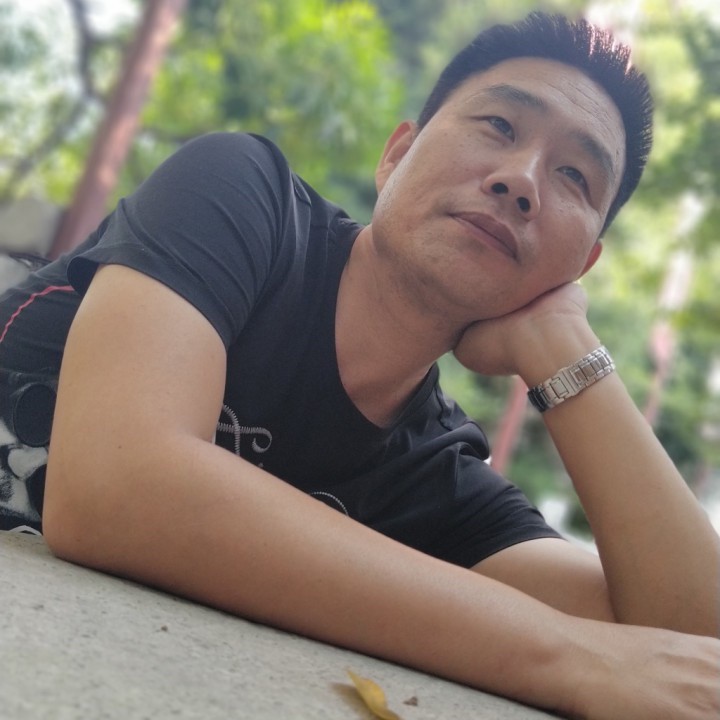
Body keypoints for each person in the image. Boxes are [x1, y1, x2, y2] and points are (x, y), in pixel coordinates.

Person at [1, 11, 718, 718]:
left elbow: (686, 647)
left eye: (575, 177)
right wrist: (566, 655)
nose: (521, 180)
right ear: (396, 155)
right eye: (499, 125)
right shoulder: (245, 198)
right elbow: (116, 485)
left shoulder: (437, 480)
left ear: (582, 265)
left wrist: (564, 344)